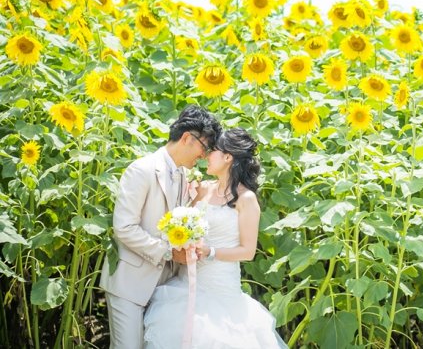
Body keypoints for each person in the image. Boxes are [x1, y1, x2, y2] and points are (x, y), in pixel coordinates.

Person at [143, 127, 287, 348]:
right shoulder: (201, 190)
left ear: (228, 157)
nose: (206, 155)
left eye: (213, 151)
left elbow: (247, 251)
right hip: (186, 283)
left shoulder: (246, 199)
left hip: (221, 288)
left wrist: (211, 252)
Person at [100, 105, 221, 348]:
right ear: (187, 137)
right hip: (130, 284)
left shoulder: (186, 177)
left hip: (165, 287)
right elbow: (124, 227)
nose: (204, 155)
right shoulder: (142, 170)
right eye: (204, 147)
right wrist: (167, 251)